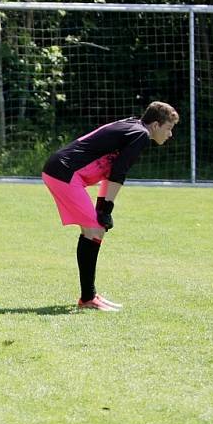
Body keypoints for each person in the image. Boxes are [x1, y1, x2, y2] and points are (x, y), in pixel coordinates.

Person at [41, 101, 179, 311]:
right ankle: (88, 298)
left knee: (94, 230)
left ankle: (89, 296)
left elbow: (111, 171)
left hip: (61, 170)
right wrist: (107, 209)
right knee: (94, 229)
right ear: (156, 125)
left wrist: (103, 207)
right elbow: (118, 173)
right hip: (65, 172)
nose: (170, 135)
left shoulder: (134, 128)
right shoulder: (141, 134)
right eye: (168, 128)